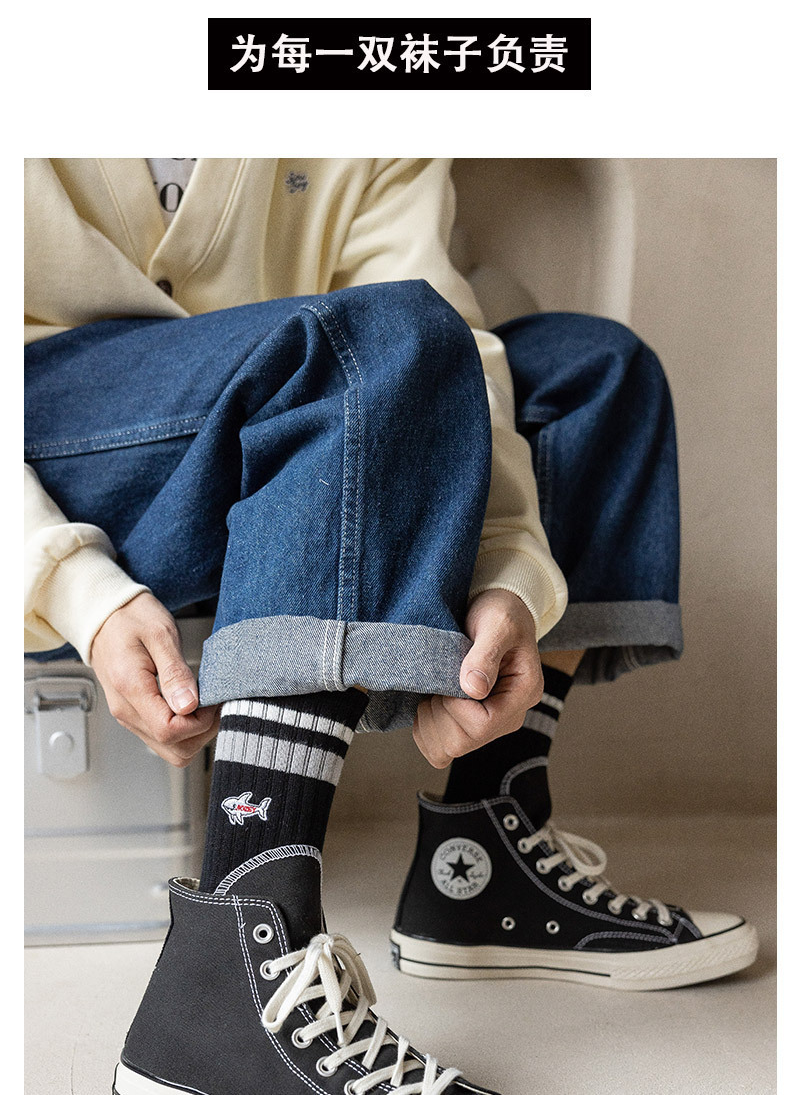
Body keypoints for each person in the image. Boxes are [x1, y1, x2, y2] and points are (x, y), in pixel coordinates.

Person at [24, 158, 757, 1095]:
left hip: (296, 404)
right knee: (363, 347)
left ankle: (476, 867)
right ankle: (222, 984)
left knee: (593, 374)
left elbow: (444, 333)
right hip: (59, 441)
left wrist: (507, 567)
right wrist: (71, 584)